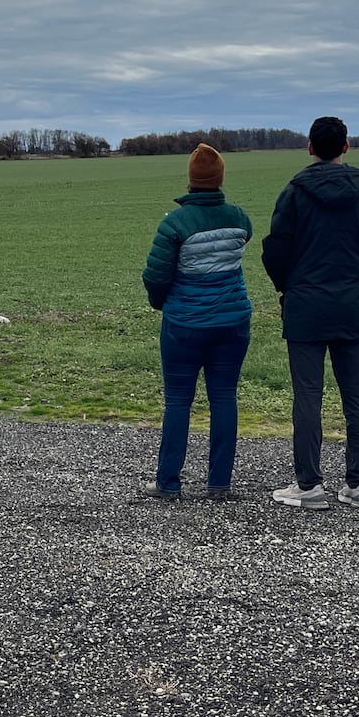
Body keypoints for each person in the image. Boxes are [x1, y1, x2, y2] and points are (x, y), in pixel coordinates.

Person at [261, 116, 359, 510]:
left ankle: (309, 485)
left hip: (305, 307)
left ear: (310, 147)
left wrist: (291, 285)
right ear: (346, 147)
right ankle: (358, 484)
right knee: (357, 395)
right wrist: (358, 276)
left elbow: (275, 251)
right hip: (351, 306)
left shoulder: (293, 193)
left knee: (308, 395)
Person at [141, 143, 254, 500]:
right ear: (220, 179)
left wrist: (163, 303)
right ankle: (219, 483)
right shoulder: (240, 218)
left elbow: (155, 276)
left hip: (185, 323)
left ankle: (169, 483)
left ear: (191, 180)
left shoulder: (175, 224)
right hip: (233, 321)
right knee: (224, 398)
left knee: (178, 401)